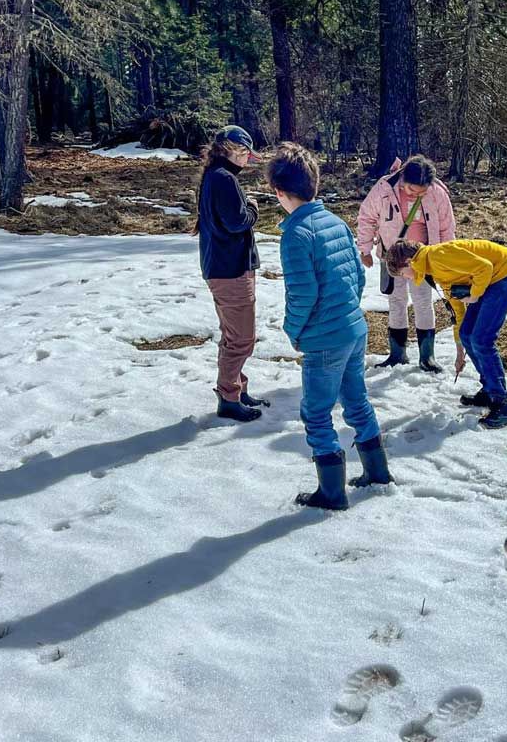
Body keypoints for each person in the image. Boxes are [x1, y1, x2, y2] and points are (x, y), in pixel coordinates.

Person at [269, 143, 392, 510]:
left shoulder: (296, 234)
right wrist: (347, 310)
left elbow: (303, 294)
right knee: (356, 400)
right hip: (354, 328)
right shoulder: (335, 222)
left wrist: (293, 331)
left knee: (316, 412)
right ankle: (377, 472)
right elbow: (358, 276)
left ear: (278, 191)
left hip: (325, 338)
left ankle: (332, 492)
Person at [386, 238, 507, 429]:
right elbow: (458, 312)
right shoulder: (432, 270)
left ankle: (503, 404)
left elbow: (484, 267)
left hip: (505, 273)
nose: (406, 278)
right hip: (488, 279)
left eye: (403, 273)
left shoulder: (438, 256)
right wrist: (460, 352)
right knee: (468, 334)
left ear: (409, 262)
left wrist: (475, 294)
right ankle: (489, 390)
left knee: (482, 340)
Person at [194, 125, 269, 423]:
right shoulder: (224, 178)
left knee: (233, 335)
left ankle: (237, 389)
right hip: (230, 269)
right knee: (241, 338)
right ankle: (228, 398)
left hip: (224, 266)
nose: (247, 160)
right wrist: (253, 208)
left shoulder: (215, 175)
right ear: (234, 150)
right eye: (246, 154)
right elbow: (237, 221)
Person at [357, 155, 456, 372]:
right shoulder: (384, 188)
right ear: (403, 179)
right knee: (396, 301)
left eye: (422, 192)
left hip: (423, 258)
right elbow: (366, 217)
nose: (416, 194)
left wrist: (445, 257)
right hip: (391, 256)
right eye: (412, 190)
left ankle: (427, 356)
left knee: (423, 301)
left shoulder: (437, 193)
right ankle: (397, 354)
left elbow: (446, 227)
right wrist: (364, 249)